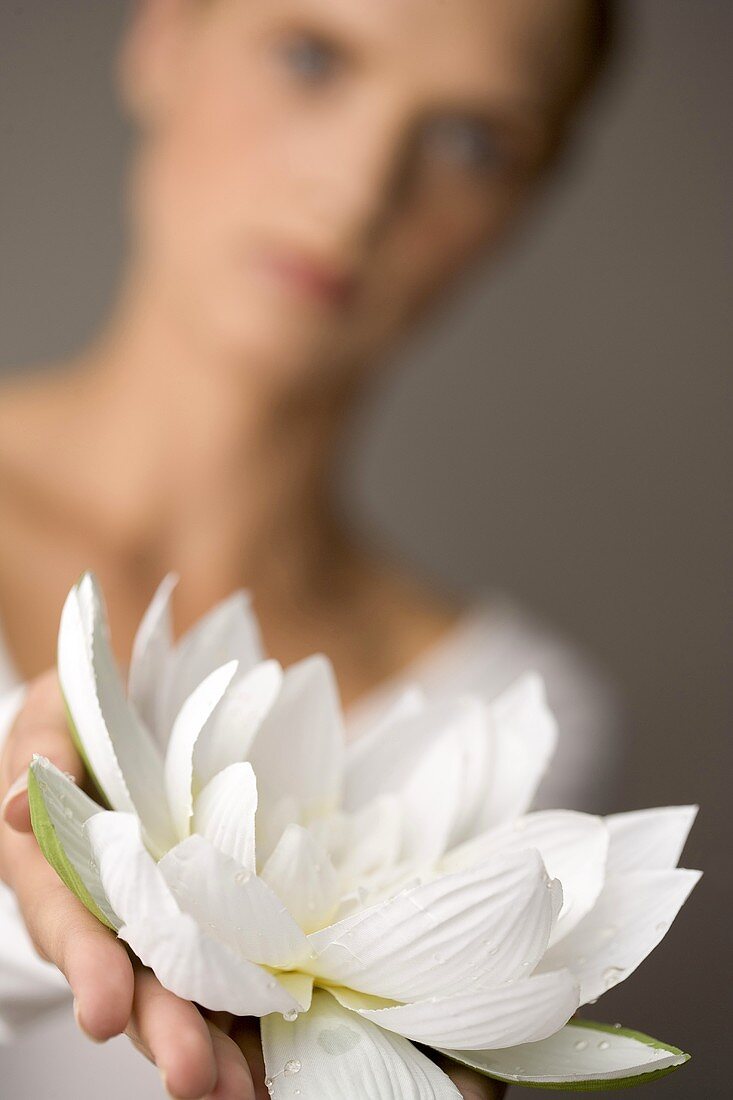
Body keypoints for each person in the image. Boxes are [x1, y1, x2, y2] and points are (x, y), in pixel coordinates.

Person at [0, 1, 620, 1097]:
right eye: (311, 57)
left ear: (522, 206)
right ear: (163, 39)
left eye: (474, 140)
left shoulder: (507, 715)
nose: (359, 186)